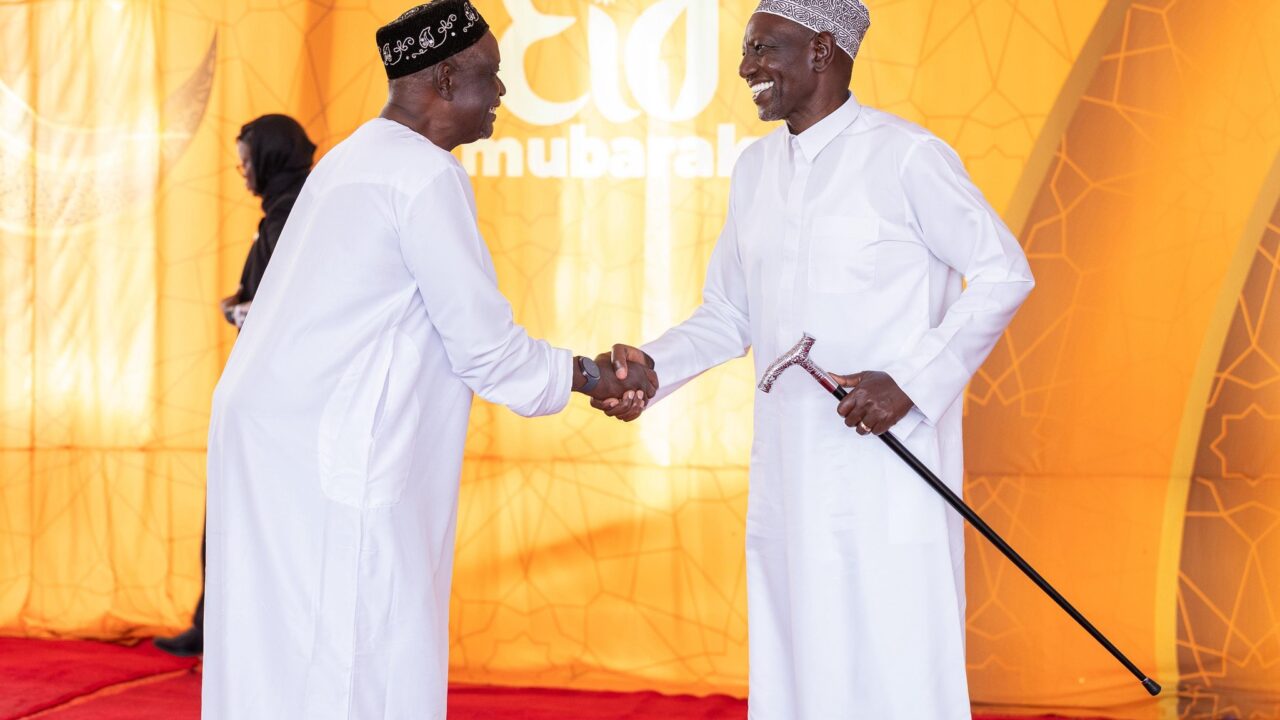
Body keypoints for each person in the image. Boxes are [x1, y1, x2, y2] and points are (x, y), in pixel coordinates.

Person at [199, 2, 655, 717]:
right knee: (352, 656)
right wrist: (595, 376)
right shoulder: (422, 175)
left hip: (277, 445)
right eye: (492, 78)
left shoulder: (352, 159)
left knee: (280, 655)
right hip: (334, 456)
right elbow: (490, 353)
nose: (503, 95)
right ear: (445, 78)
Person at [599, 1, 1035, 716]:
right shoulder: (754, 169)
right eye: (747, 50)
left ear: (824, 51)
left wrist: (913, 382)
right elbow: (730, 311)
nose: (746, 68)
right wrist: (655, 366)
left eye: (763, 49)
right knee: (798, 657)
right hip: (792, 467)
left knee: (893, 651)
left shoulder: (907, 156)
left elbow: (1002, 272)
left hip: (885, 460)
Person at [154, 113, 316, 658]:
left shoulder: (291, 217)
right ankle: (216, 624)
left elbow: (286, 314)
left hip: (280, 404)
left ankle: (227, 631)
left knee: (242, 515)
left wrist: (242, 311)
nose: (242, 174)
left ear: (269, 160)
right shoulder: (289, 212)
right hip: (279, 400)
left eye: (247, 162)